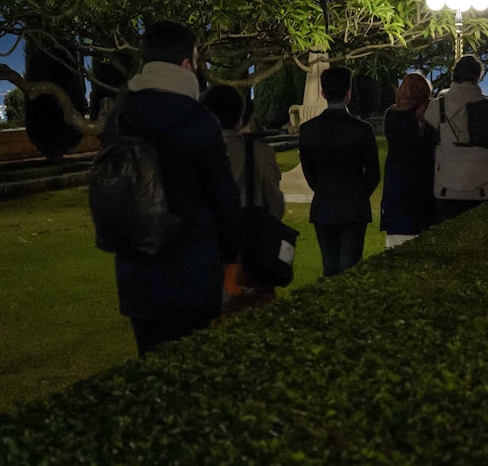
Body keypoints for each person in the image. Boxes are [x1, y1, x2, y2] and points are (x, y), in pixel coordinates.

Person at [105, 21, 241, 357]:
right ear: (186, 65)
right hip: (190, 274)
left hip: (135, 273)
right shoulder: (197, 120)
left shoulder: (120, 115)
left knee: (150, 365)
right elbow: (225, 199)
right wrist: (232, 261)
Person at [200, 84, 284, 310]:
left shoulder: (194, 153)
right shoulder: (260, 152)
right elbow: (275, 206)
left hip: (206, 248)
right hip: (252, 246)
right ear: (240, 116)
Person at [299, 66, 380, 276]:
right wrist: (358, 193)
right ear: (348, 94)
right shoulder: (362, 129)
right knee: (351, 267)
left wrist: (323, 189)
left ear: (323, 93)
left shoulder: (308, 129)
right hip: (354, 205)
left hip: (324, 203)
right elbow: (373, 173)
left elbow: (309, 171)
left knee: (330, 265)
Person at [424, 55, 488, 222]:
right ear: (478, 77)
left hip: (445, 183)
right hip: (479, 184)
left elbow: (429, 143)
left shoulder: (437, 106)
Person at [379, 73, 436, 249]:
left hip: (396, 180)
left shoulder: (391, 114)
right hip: (422, 180)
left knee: (397, 239)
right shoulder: (427, 114)